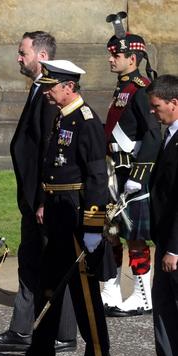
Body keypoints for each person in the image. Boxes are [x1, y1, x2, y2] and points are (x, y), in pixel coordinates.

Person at [8, 60, 113, 356]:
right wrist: (44, 202)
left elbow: (96, 177)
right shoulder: (62, 119)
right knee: (48, 290)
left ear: (69, 87)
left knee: (85, 298)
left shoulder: (87, 122)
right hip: (57, 217)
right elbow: (52, 168)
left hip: (77, 219)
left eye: (51, 88)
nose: (46, 94)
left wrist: (93, 227)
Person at [0, 30, 77, 352]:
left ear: (42, 56)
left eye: (23, 52)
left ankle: (62, 334)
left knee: (51, 265)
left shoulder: (52, 98)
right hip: (31, 197)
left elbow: (51, 155)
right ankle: (22, 328)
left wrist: (42, 199)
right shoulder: (38, 90)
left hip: (42, 199)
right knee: (30, 261)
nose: (18, 58)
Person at [100, 32, 161, 316]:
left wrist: (138, 174)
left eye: (116, 55)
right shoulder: (123, 87)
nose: (111, 59)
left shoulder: (140, 89)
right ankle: (110, 293)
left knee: (135, 238)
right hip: (115, 172)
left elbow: (152, 136)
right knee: (111, 232)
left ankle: (142, 296)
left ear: (132, 59)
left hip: (133, 175)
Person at [147, 74, 178, 356]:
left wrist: (174, 248)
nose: (153, 112)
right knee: (163, 311)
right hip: (165, 239)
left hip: (175, 247)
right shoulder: (167, 135)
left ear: (174, 103)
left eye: (157, 106)